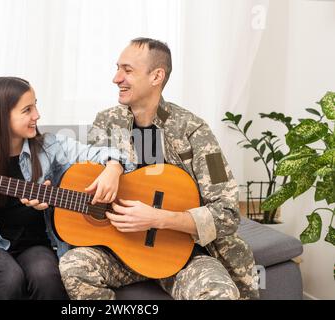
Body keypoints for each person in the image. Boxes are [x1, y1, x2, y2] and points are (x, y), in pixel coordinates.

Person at [59, 38, 259, 300]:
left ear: (157, 76)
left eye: (127, 70)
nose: (116, 78)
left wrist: (157, 218)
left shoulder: (194, 131)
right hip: (122, 253)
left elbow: (228, 212)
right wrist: (113, 165)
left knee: (218, 294)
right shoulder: (106, 122)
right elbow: (85, 183)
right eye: (117, 68)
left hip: (185, 255)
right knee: (74, 266)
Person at [0, 76, 133, 300]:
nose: (37, 115)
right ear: (1, 117)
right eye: (27, 109)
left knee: (47, 278)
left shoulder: (50, 147)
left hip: (35, 245)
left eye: (36, 104)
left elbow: (100, 153)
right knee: (9, 278)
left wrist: (113, 167)